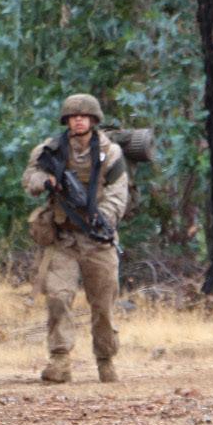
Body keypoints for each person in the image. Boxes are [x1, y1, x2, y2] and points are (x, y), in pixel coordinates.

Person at [22, 94, 130, 384]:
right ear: (66, 120)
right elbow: (29, 177)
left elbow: (118, 194)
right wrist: (45, 181)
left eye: (84, 116)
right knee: (58, 297)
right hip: (63, 238)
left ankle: (105, 360)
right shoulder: (51, 149)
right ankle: (60, 360)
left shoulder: (110, 152)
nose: (79, 120)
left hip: (98, 240)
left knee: (103, 305)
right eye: (73, 116)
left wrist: (102, 220)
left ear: (94, 119)